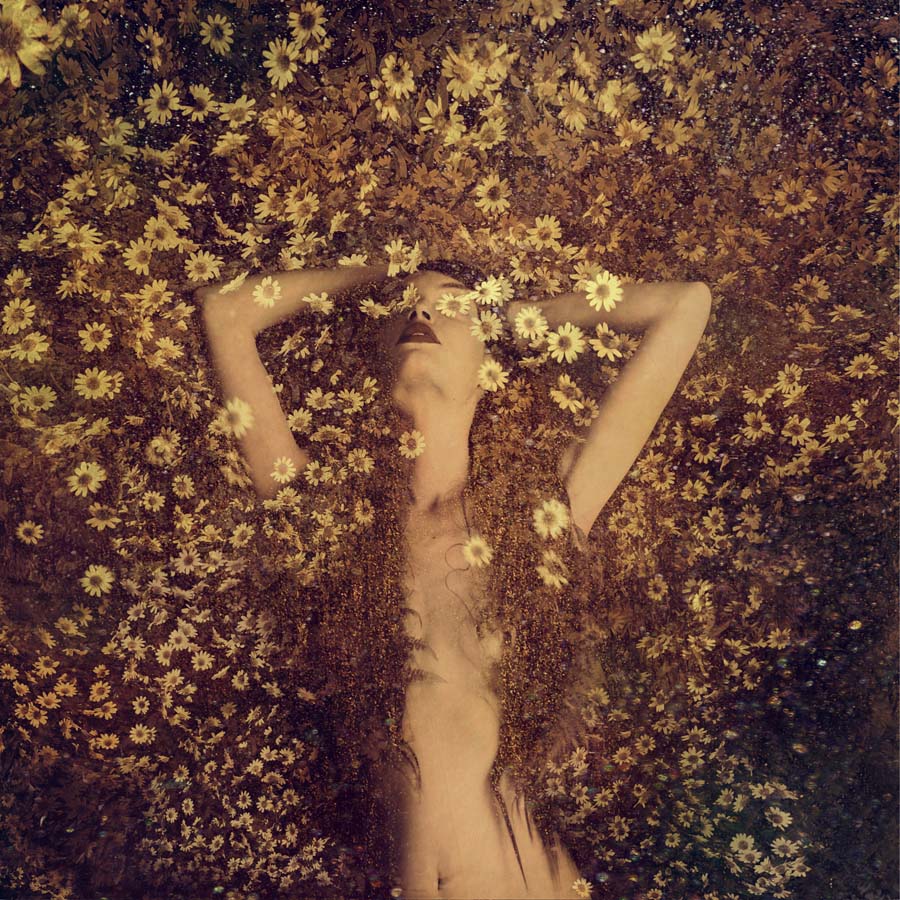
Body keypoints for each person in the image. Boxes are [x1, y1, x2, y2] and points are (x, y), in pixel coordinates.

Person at [197, 259, 712, 898]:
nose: (420, 311)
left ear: (490, 359)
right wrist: (373, 279)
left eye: (451, 303)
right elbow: (224, 311)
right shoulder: (327, 518)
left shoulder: (543, 515)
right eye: (403, 305)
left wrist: (512, 314)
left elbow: (684, 305)